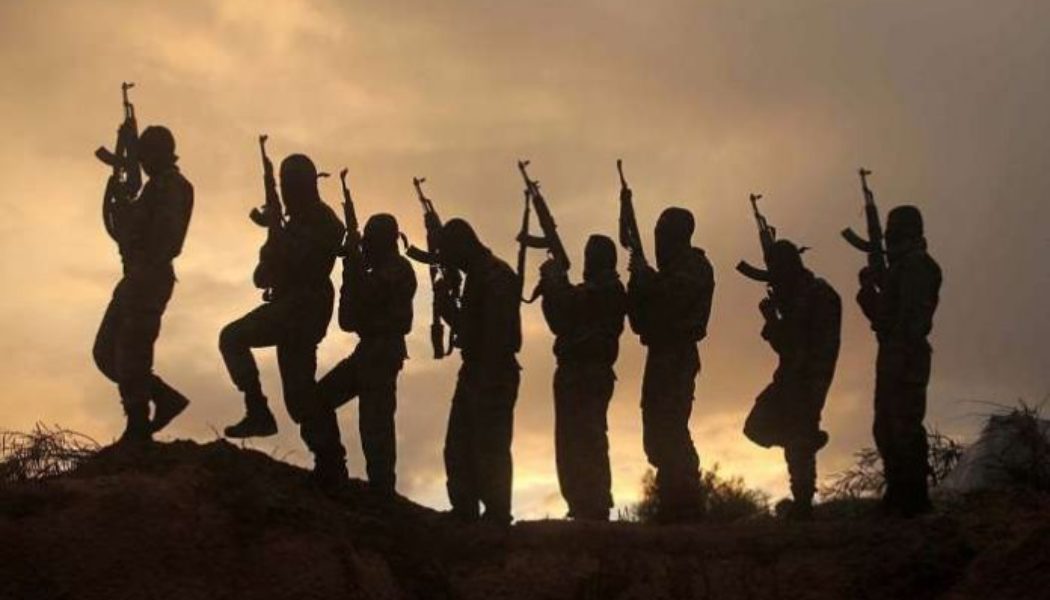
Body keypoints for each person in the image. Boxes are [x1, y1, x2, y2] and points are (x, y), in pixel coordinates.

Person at [219, 154, 344, 481]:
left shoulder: (325, 222)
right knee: (300, 398)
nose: (287, 194)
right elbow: (263, 276)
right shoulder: (294, 223)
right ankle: (330, 461)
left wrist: (277, 231)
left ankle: (258, 411)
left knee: (232, 337)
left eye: (291, 186)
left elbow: (304, 260)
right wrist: (274, 235)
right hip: (290, 306)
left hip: (304, 308)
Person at [93, 125, 194, 444]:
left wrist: (131, 222)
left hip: (149, 277)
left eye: (145, 154)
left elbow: (166, 239)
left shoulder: (171, 186)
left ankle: (138, 423)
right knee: (106, 353)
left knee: (132, 350)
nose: (142, 161)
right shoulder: (155, 188)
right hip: (137, 276)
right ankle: (162, 397)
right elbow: (128, 230)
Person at [312, 214, 417, 496]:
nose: (366, 247)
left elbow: (370, 295)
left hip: (383, 353)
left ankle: (382, 491)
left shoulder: (398, 269)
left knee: (375, 425)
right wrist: (351, 268)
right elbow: (347, 320)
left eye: (370, 241)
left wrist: (355, 264)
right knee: (318, 402)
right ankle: (332, 466)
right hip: (368, 352)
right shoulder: (370, 272)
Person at [743, 240, 841, 520]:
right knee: (757, 427)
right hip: (792, 375)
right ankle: (807, 442)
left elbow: (793, 344)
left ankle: (803, 501)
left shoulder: (815, 295)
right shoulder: (803, 294)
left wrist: (772, 319)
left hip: (807, 376)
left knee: (797, 434)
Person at [627, 207, 714, 523]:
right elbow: (640, 320)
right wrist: (637, 280)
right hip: (660, 353)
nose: (658, 240)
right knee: (656, 434)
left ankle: (686, 503)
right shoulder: (667, 272)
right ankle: (672, 503)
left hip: (677, 354)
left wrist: (645, 276)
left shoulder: (695, 266)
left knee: (671, 427)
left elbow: (672, 300)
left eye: (663, 233)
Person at [435, 219, 522, 525]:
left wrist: (452, 315)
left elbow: (492, 335)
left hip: (493, 372)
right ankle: (465, 511)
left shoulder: (495, 275)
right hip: (476, 370)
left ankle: (497, 515)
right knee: (458, 447)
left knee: (490, 447)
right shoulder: (477, 275)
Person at [857, 205, 942, 517]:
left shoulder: (917, 266)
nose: (889, 239)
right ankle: (898, 493)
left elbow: (905, 319)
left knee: (904, 425)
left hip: (906, 353)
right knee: (886, 427)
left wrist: (872, 294)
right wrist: (873, 288)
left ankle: (915, 498)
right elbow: (886, 318)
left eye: (893, 233)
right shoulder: (902, 267)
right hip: (894, 353)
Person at [539, 235, 626, 521]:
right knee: (571, 442)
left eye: (591, 256)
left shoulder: (609, 289)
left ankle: (594, 503)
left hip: (587, 372)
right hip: (577, 372)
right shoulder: (596, 290)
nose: (587, 261)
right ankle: (581, 503)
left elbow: (566, 312)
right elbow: (560, 316)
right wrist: (554, 282)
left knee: (586, 438)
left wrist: (554, 279)